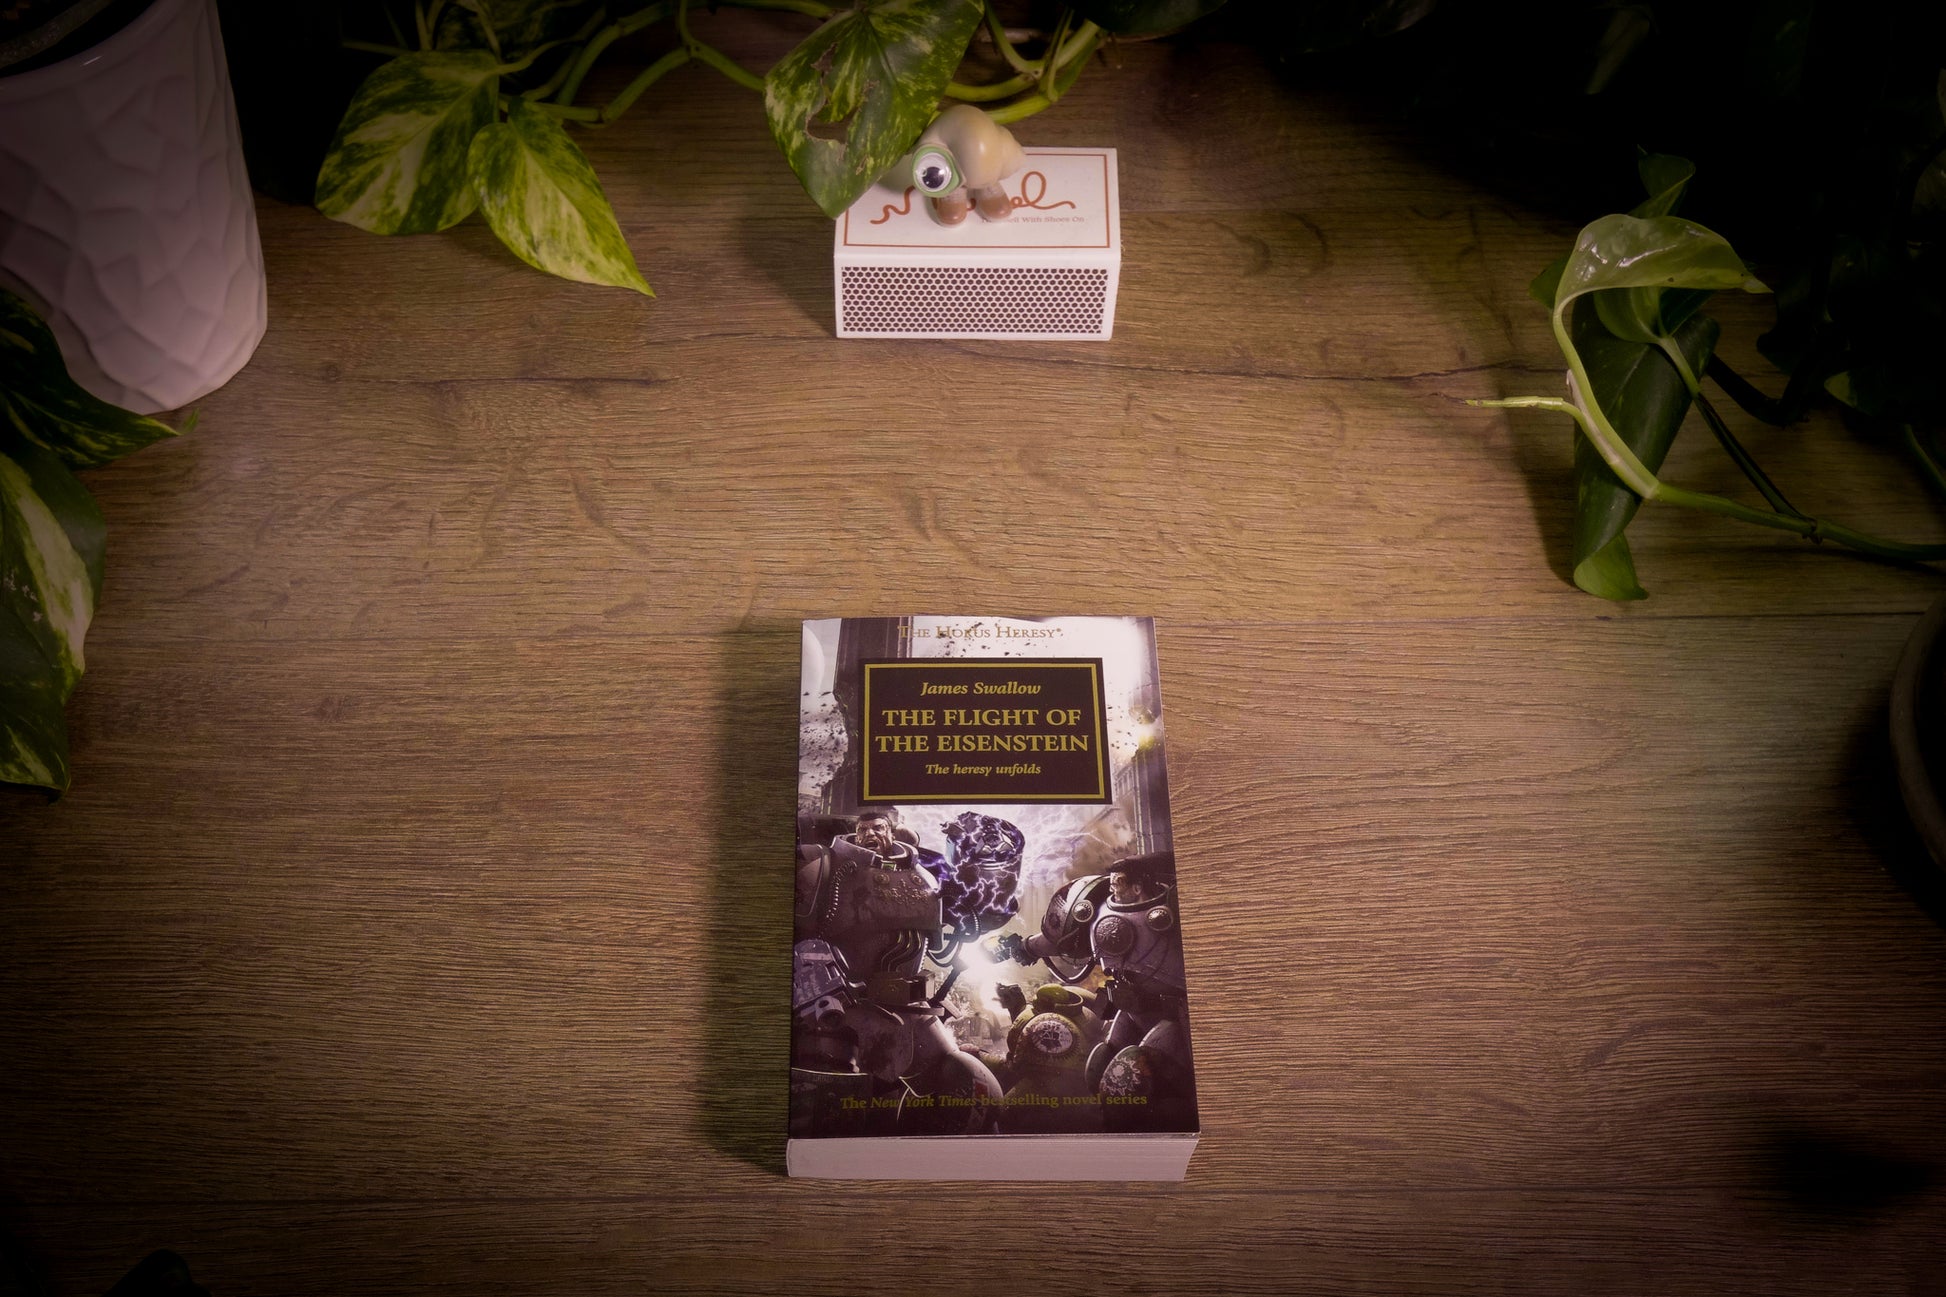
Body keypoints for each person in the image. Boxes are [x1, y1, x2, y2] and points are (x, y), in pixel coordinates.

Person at [791, 808, 1001, 1133]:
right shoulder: (823, 867)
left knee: (971, 1086)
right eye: (863, 830)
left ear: (892, 832)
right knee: (833, 1108)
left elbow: (938, 948)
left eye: (878, 828)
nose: (870, 835)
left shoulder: (924, 877)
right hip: (845, 1013)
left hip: (912, 1011)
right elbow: (796, 936)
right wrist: (815, 981)